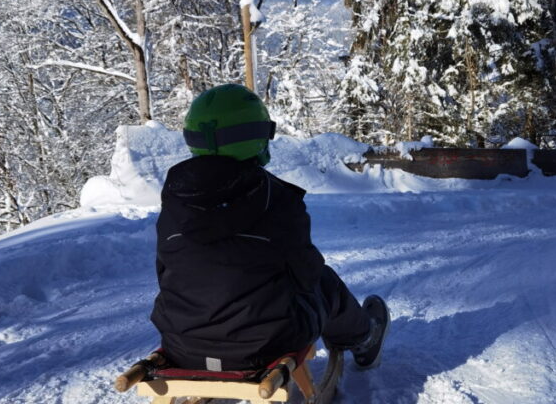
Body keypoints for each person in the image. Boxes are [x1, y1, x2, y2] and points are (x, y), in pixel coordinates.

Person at [151, 84, 389, 373]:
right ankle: (364, 337)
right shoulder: (276, 199)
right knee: (324, 282)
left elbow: (165, 271)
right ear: (256, 136)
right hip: (264, 347)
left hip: (182, 346)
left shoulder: (175, 198)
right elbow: (306, 274)